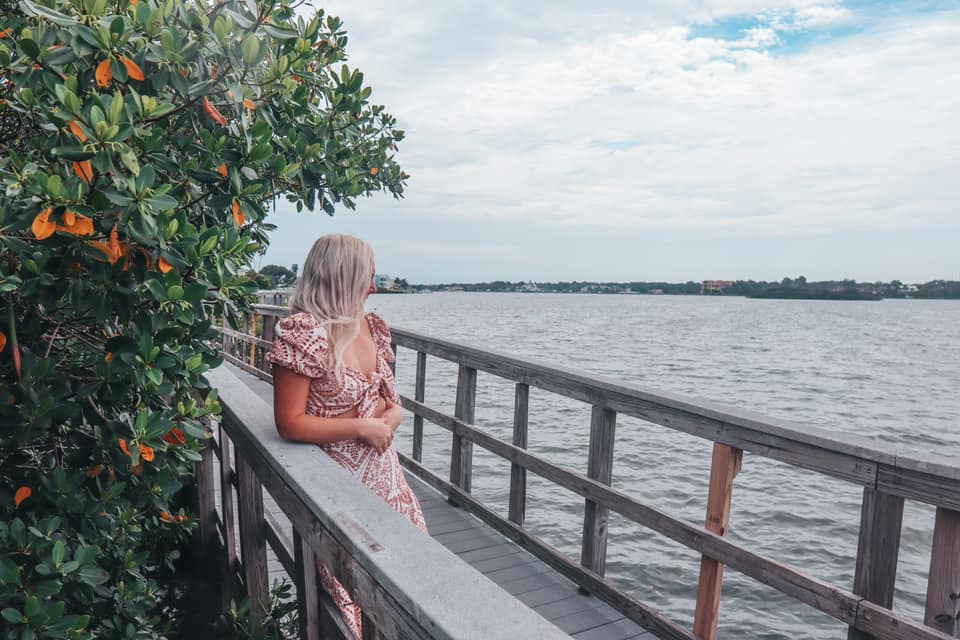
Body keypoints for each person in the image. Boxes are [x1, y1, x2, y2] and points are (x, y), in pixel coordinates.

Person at [265, 234, 427, 638]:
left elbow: (392, 402)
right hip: (340, 491)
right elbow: (290, 422)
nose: (373, 287)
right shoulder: (304, 334)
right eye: (367, 277)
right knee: (353, 609)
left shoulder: (370, 326)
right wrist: (361, 426)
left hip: (390, 487)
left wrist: (388, 421)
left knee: (411, 596)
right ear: (342, 277)